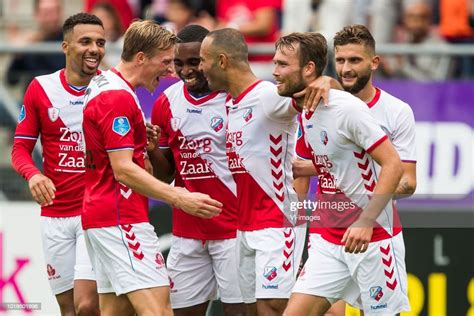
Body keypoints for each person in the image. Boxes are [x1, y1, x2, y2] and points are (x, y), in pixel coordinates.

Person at [82, 20, 223, 315]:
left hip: (103, 216)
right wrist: (178, 197)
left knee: (115, 311)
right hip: (122, 218)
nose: (171, 71)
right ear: (142, 58)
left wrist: (143, 150)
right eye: (166, 61)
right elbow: (123, 170)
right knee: (158, 310)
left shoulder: (104, 85)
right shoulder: (116, 97)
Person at [272, 31, 410, 315]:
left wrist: (365, 221)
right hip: (328, 239)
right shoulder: (308, 110)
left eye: (282, 65)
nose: (274, 72)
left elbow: (394, 165)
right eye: (341, 60)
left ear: (308, 68)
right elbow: (317, 167)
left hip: (372, 238)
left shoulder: (348, 108)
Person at [199, 28, 306, 316]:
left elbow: (315, 96)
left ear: (222, 61)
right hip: (244, 227)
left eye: (203, 60)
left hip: (276, 222)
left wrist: (328, 83)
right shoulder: (232, 102)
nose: (200, 68)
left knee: (273, 308)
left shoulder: (269, 97)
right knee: (250, 311)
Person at [11, 13, 105, 316]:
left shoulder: (111, 88)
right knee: (68, 309)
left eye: (100, 42)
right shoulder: (41, 88)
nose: (94, 49)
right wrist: (33, 174)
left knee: (87, 304)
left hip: (96, 213)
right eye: (86, 41)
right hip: (54, 215)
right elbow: (20, 149)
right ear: (65, 46)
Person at [149, 24, 245, 316]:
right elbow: (166, 176)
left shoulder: (237, 98)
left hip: (233, 230)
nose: (187, 71)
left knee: (238, 312)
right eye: (179, 64)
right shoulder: (167, 102)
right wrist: (152, 148)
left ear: (211, 59)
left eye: (195, 63)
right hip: (186, 234)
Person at [6, 0, 65, 90]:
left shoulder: (70, 41)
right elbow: (11, 80)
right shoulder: (29, 43)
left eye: (55, 11)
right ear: (36, 15)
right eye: (46, 13)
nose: (51, 18)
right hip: (32, 101)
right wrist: (18, 54)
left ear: (61, 13)